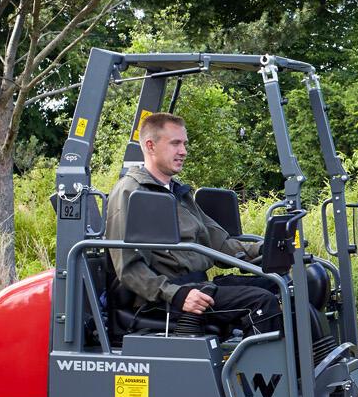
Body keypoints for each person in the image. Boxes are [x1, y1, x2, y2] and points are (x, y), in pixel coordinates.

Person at [104, 112, 281, 335]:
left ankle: (315, 360)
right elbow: (128, 266)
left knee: (277, 285)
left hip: (197, 286)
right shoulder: (131, 192)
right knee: (261, 303)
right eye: (175, 143)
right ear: (150, 146)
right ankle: (262, 371)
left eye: (184, 144)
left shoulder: (179, 193)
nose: (183, 151)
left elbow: (219, 243)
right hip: (164, 298)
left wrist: (264, 249)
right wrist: (175, 294)